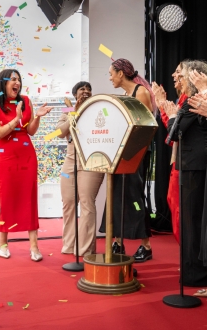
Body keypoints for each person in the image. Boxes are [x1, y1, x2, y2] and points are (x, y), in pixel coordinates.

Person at [0, 69, 53, 262]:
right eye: (13, 79)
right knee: (7, 198)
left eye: (19, 80)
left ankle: (34, 246)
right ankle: (3, 243)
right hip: (5, 157)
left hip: (26, 155)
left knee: (29, 198)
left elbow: (30, 131)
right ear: (3, 83)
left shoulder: (26, 101)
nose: (17, 83)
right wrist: (16, 119)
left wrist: (37, 116)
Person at [99, 58, 156, 263]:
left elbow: (145, 126)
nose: (110, 77)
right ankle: (117, 241)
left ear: (121, 73)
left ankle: (146, 246)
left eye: (111, 73)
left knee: (134, 198)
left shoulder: (140, 92)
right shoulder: (125, 95)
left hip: (136, 154)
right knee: (116, 196)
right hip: (121, 153)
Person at [164, 60, 207, 287]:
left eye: (182, 74)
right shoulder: (195, 100)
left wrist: (171, 115)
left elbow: (174, 132)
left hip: (193, 166)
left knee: (191, 221)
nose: (177, 78)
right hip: (193, 165)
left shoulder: (194, 100)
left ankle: (194, 274)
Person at [56, 82, 104, 256]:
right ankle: (69, 246)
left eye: (88, 89)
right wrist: (73, 113)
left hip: (92, 162)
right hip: (69, 163)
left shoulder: (97, 109)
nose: (86, 91)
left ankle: (84, 249)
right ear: (75, 94)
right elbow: (59, 133)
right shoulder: (68, 112)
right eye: (82, 89)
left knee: (86, 203)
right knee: (68, 203)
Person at [152, 62, 188, 244]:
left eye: (178, 72)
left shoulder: (189, 100)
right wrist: (162, 106)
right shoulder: (181, 99)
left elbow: (174, 133)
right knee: (173, 203)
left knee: (179, 209)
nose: (174, 75)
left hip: (186, 162)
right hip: (179, 161)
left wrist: (162, 106)